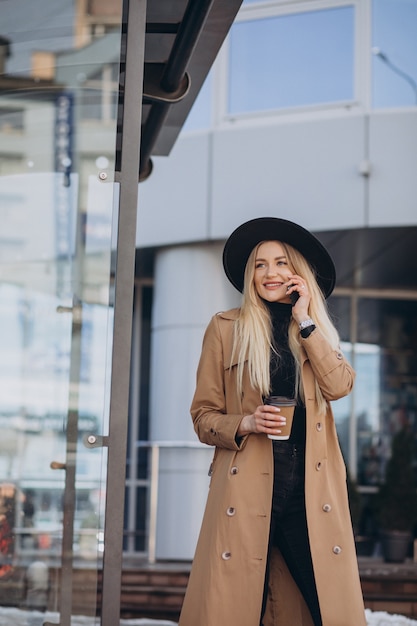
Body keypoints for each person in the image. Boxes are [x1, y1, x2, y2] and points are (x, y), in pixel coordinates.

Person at [178, 217, 366, 626]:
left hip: (309, 490)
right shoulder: (225, 328)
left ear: (296, 272)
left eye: (280, 263)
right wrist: (244, 423)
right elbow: (202, 415)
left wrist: (306, 318)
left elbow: (340, 387)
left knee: (328, 607)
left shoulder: (312, 330)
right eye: (260, 265)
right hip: (246, 488)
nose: (269, 273)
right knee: (238, 606)